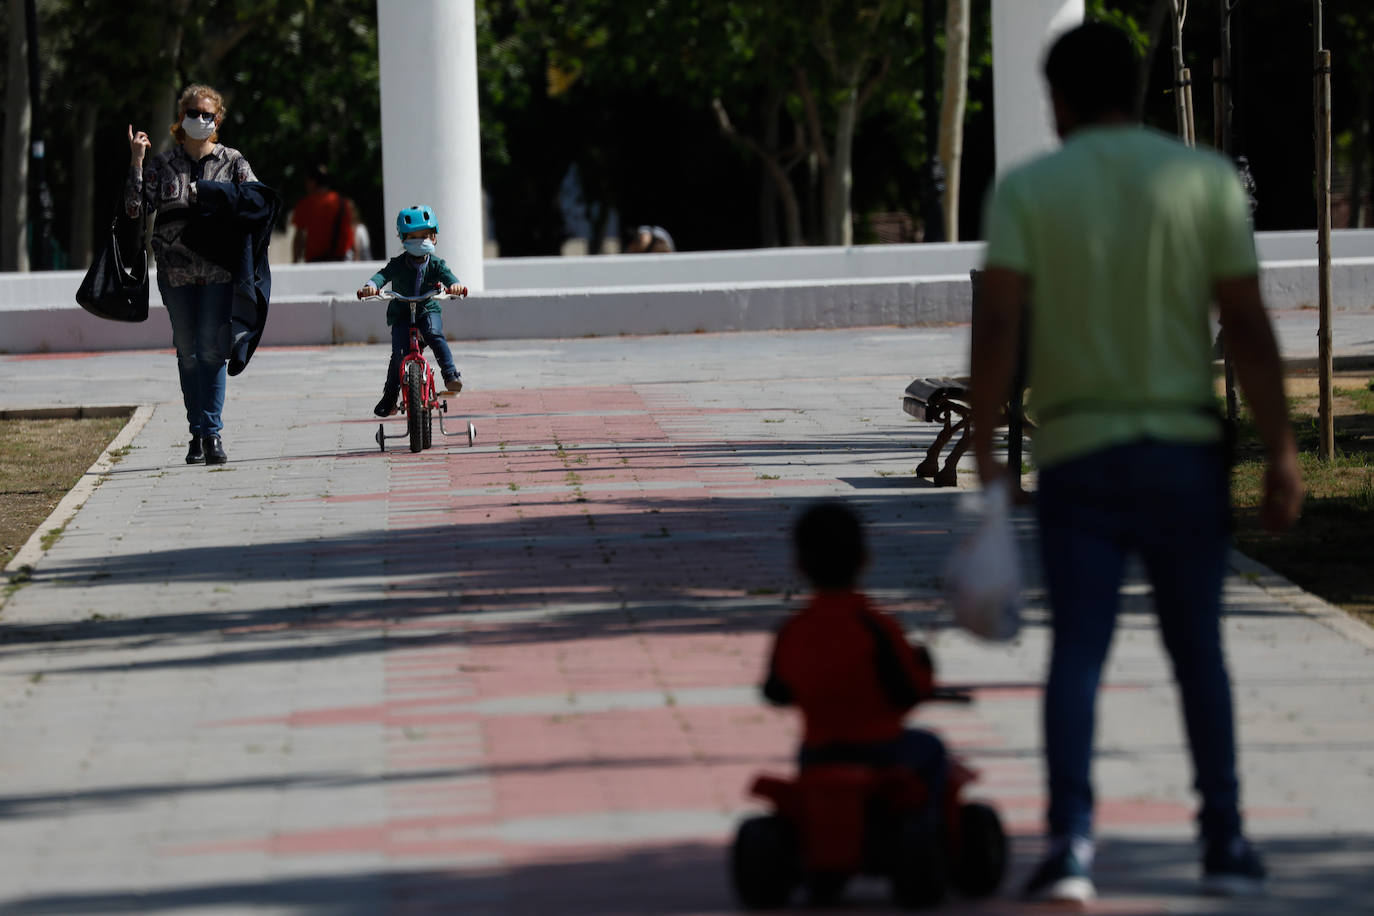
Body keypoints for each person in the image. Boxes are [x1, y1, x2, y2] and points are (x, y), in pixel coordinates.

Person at [971, 22, 1303, 904]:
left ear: (1062, 100)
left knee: (1078, 652)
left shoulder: (1029, 190)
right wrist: (1280, 448)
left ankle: (1073, 846)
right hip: (1183, 453)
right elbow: (1246, 322)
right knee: (1199, 653)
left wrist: (985, 451)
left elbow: (999, 324)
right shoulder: (1202, 180)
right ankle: (1225, 840)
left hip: (1077, 453)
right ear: (1139, 86)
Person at [762, 501, 946, 804]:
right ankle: (931, 837)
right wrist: (925, 666)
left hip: (818, 751)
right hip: (880, 749)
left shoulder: (793, 629)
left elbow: (777, 691)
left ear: (799, 564)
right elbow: (908, 689)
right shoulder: (877, 626)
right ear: (864, 560)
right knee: (931, 747)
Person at [127, 84, 259, 465]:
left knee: (212, 351)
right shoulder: (162, 164)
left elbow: (256, 201)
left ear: (216, 120)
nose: (200, 120)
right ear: (180, 118)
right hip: (175, 271)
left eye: (207, 115)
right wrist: (137, 160)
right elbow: (136, 209)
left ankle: (212, 434)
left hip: (219, 271)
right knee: (188, 351)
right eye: (193, 113)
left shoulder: (232, 161)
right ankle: (196, 432)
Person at [357, 205, 468, 418]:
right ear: (403, 239)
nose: (420, 242)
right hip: (401, 314)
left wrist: (455, 286)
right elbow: (382, 275)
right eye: (413, 238)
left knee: (434, 334)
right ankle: (390, 398)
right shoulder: (398, 264)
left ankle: (450, 375)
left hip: (428, 310)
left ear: (434, 238)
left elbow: (449, 277)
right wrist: (371, 285)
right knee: (398, 356)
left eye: (425, 236)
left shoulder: (436, 264)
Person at [291, 165, 355, 263]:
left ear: (312, 182)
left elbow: (299, 238)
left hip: (315, 264)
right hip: (342, 261)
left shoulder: (305, 204)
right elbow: (350, 233)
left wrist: (295, 262)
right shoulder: (341, 202)